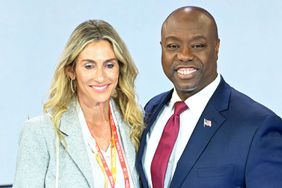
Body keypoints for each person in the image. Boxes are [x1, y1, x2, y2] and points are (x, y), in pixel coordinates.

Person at [136, 6, 282, 188]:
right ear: (162, 48)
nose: (184, 55)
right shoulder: (152, 109)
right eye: (173, 46)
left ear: (217, 47)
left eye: (197, 46)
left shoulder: (258, 127)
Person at [13, 19, 144, 188]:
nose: (100, 77)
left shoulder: (134, 124)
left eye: (109, 65)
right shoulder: (40, 133)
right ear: (71, 71)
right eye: (89, 66)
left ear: (120, 68)